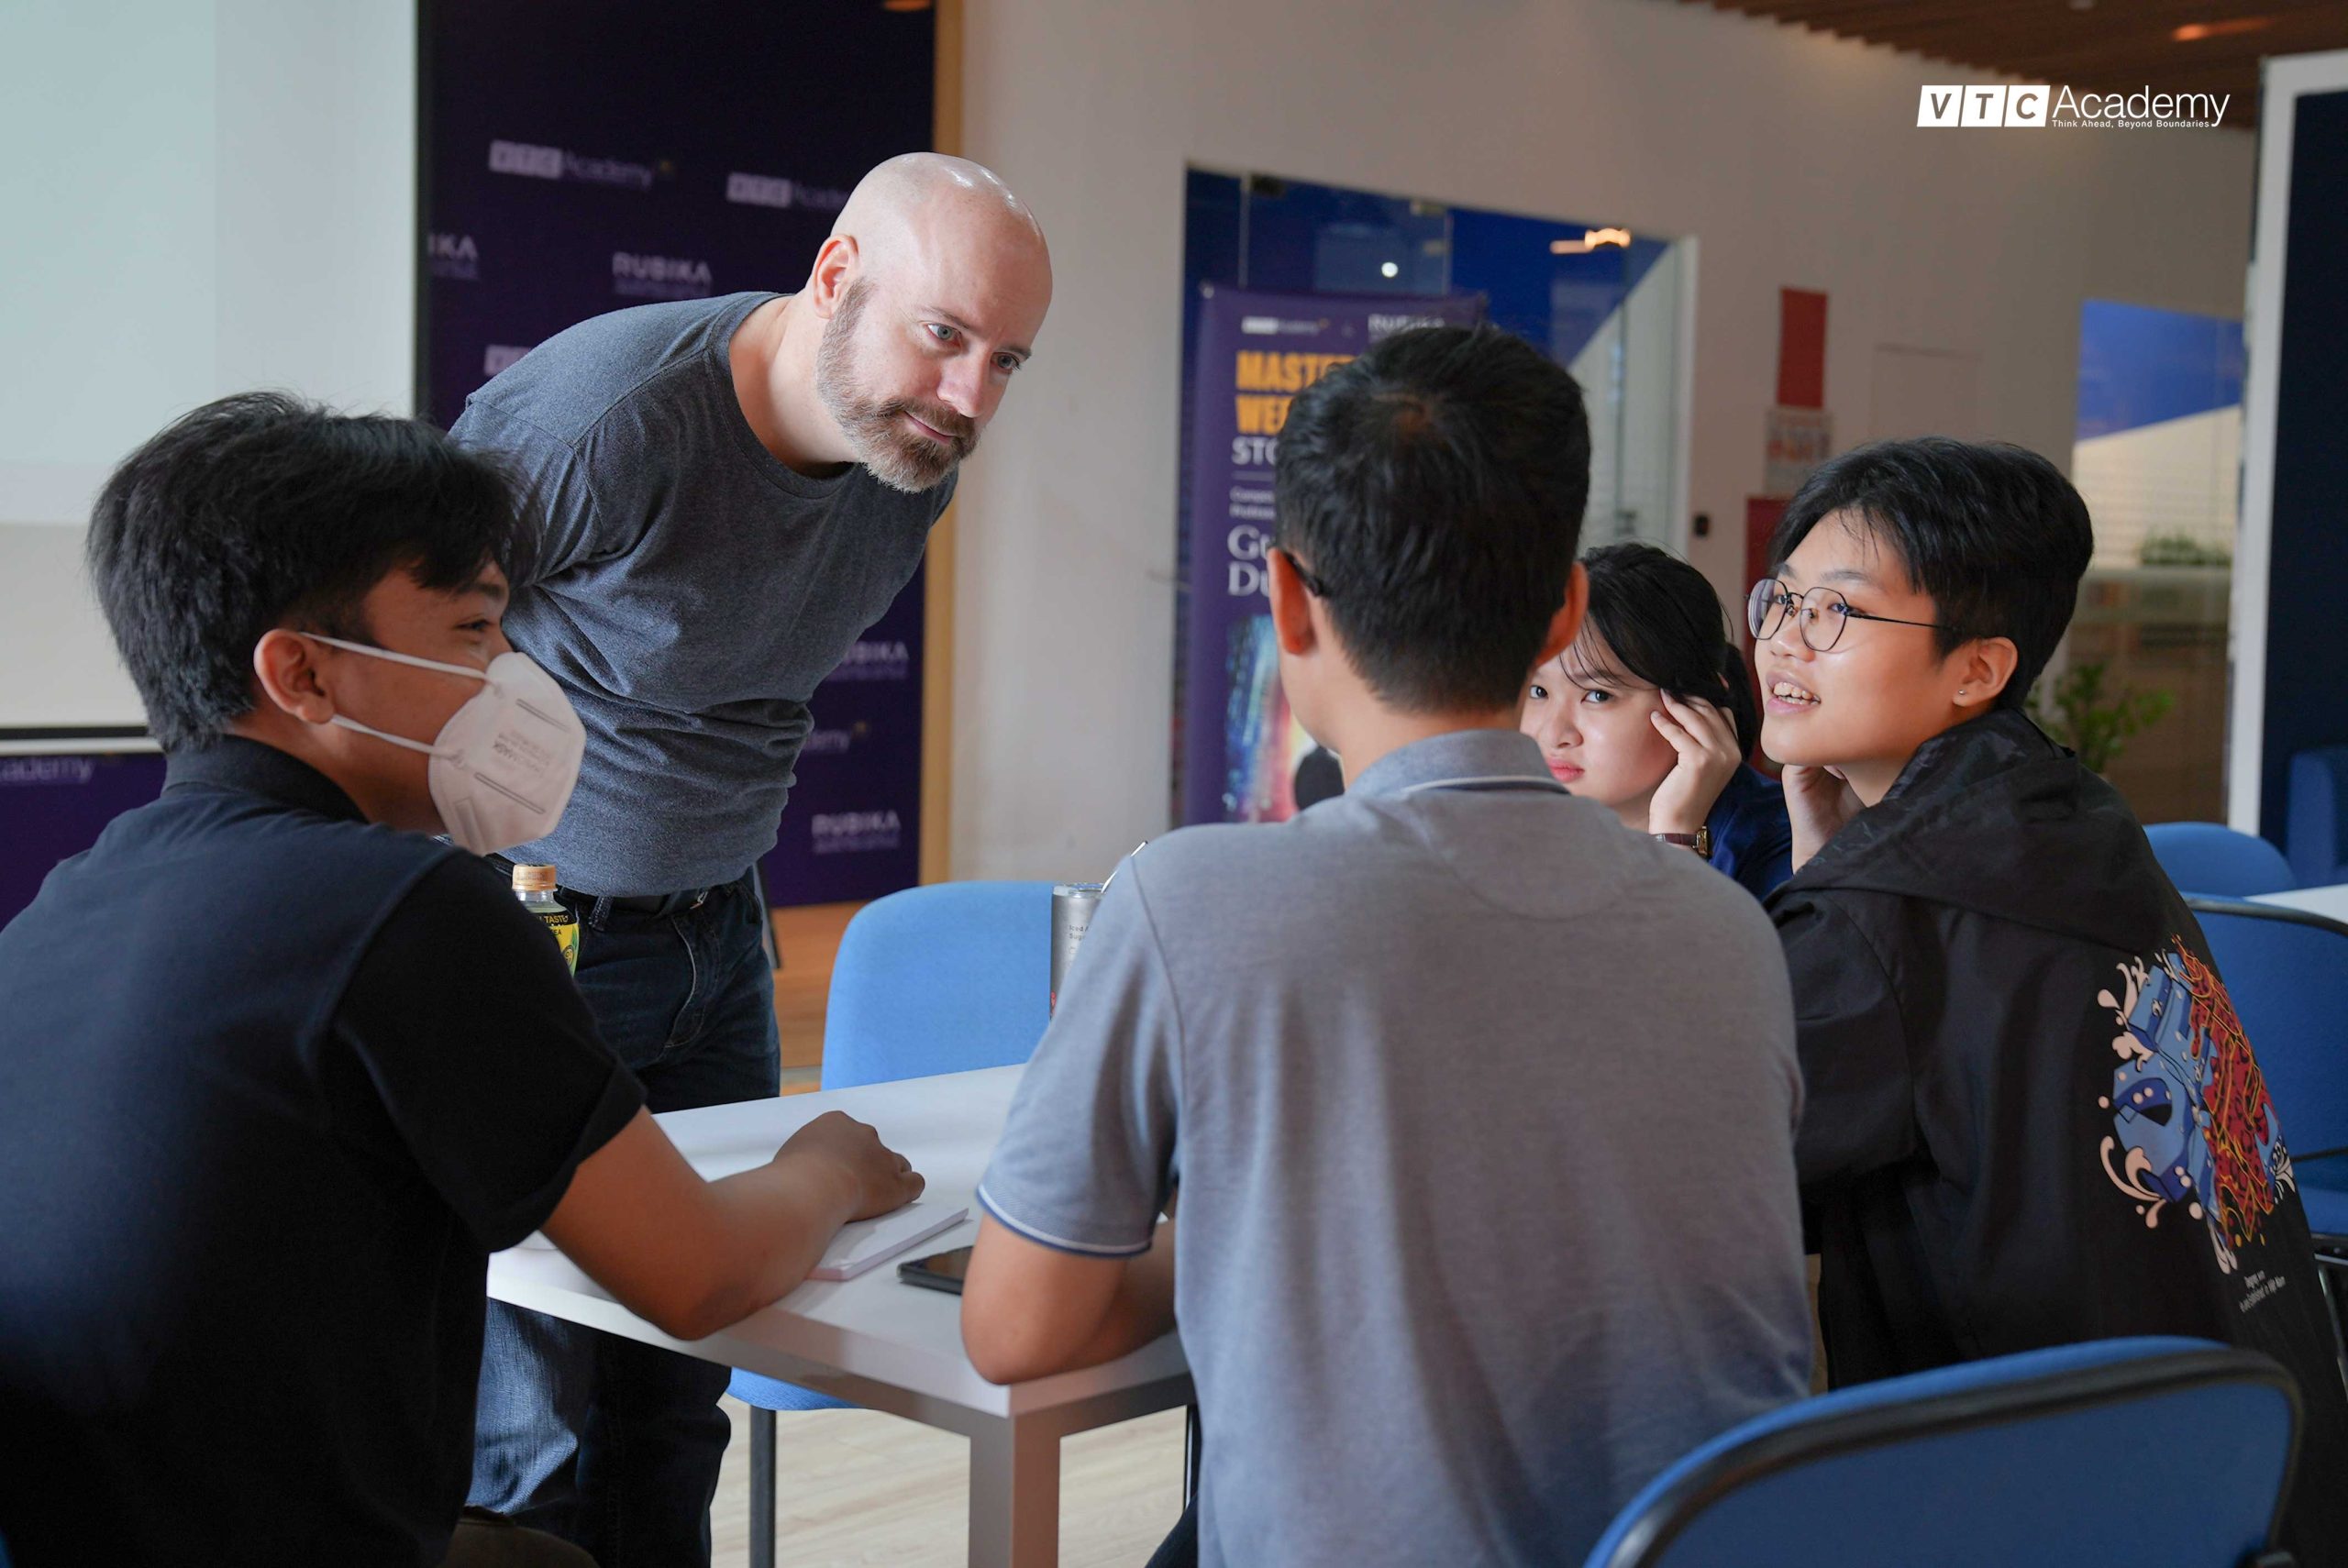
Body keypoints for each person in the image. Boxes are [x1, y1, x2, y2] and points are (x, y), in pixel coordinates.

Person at [0, 394, 924, 1568]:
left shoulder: (63, 903)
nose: (509, 675)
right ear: (305, 675)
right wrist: (825, 1166)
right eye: (473, 632)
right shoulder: (405, 908)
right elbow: (699, 1277)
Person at [957, 326, 1814, 1566]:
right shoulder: (1729, 930)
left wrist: (1247, 1236)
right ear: (1564, 606)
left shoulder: (1188, 899)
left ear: (1289, 600)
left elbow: (1017, 1327)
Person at [450, 154, 1050, 1562]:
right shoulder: (599, 424)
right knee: (530, 1423)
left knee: (682, 1394)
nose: (971, 398)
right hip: (537, 932)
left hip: (722, 933)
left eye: (1007, 359)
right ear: (835, 276)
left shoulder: (908, 460)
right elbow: (404, 642)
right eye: (945, 335)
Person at [1757, 436, 2348, 1563]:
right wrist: (1831, 876)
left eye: (1833, 613)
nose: (1782, 642)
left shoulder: (1883, 921)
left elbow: (1694, 1187)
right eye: (1777, 599)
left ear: (1977, 668)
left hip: (2045, 1497)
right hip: (2261, 1464)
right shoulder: (2073, 816)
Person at [1523, 541, 1792, 898]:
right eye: (1538, 691)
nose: (1554, 734)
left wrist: (1675, 837)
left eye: (1598, 696)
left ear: (1698, 701)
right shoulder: (1517, 823)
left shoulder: (1783, 846)